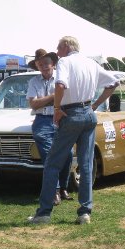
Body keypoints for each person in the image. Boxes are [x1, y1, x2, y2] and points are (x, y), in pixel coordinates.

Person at [28, 36, 119, 224]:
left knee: (53, 163)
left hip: (71, 113)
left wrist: (56, 108)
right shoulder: (91, 63)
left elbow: (60, 85)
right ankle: (85, 212)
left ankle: (44, 213)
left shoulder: (65, 62)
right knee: (86, 165)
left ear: (67, 46)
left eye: (58, 47)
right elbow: (113, 83)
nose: (57, 51)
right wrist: (94, 105)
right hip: (88, 113)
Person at [26, 50, 73, 205]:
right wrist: (56, 96)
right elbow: (33, 104)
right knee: (49, 155)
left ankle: (64, 187)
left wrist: (43, 100)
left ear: (53, 64)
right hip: (42, 121)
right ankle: (55, 190)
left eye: (46, 63)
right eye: (40, 64)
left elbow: (67, 97)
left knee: (68, 155)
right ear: (37, 66)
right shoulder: (33, 81)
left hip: (60, 119)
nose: (44, 66)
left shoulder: (61, 78)